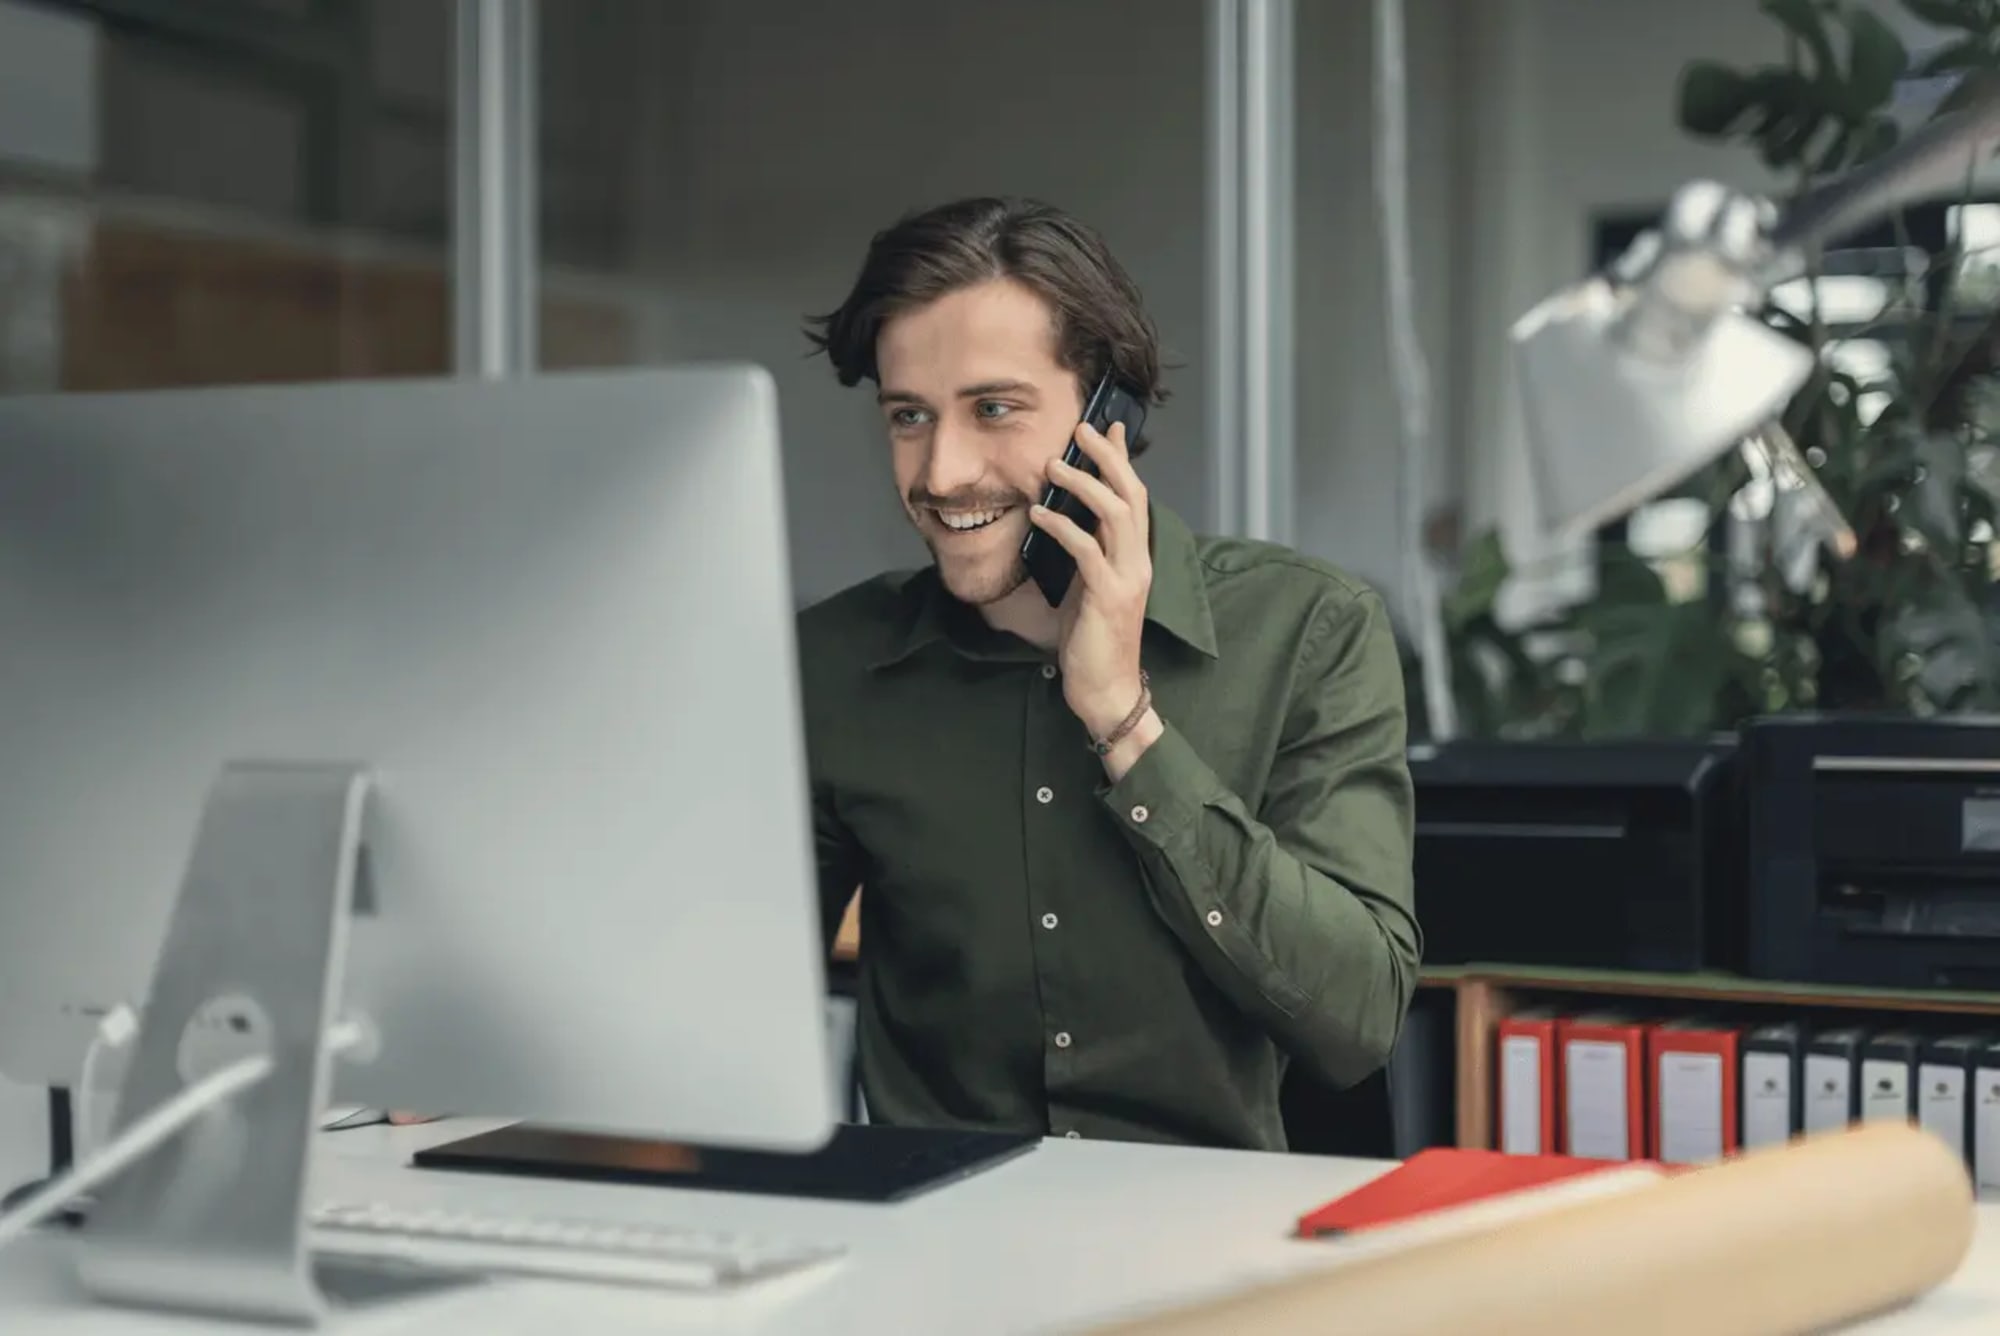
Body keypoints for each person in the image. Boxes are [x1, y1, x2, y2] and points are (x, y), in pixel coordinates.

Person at [798, 196, 1420, 1152]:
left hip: (1208, 1232)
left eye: (994, 409)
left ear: (1107, 418)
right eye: (909, 416)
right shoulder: (837, 662)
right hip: (938, 1228)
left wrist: (1125, 720)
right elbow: (726, 993)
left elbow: (1359, 1022)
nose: (943, 472)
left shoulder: (1309, 629)